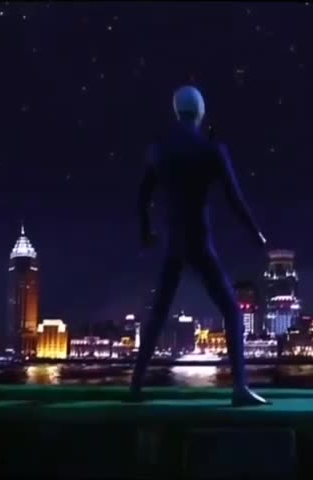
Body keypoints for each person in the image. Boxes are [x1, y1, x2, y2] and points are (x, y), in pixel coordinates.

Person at [129, 85, 269, 406]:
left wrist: (146, 232)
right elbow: (235, 199)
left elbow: (142, 197)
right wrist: (256, 233)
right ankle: (240, 388)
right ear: (201, 112)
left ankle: (135, 386)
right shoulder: (211, 149)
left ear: (176, 111)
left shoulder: (159, 150)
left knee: (158, 314)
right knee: (232, 311)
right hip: (199, 240)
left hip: (173, 242)